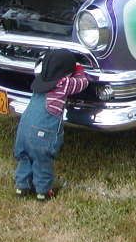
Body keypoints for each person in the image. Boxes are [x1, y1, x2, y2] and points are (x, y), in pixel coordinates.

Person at [14, 49, 89, 201]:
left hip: (23, 129)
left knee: (25, 158)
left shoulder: (39, 80)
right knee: (42, 160)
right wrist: (79, 69)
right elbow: (83, 83)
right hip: (41, 133)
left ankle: (21, 187)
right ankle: (43, 191)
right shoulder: (63, 83)